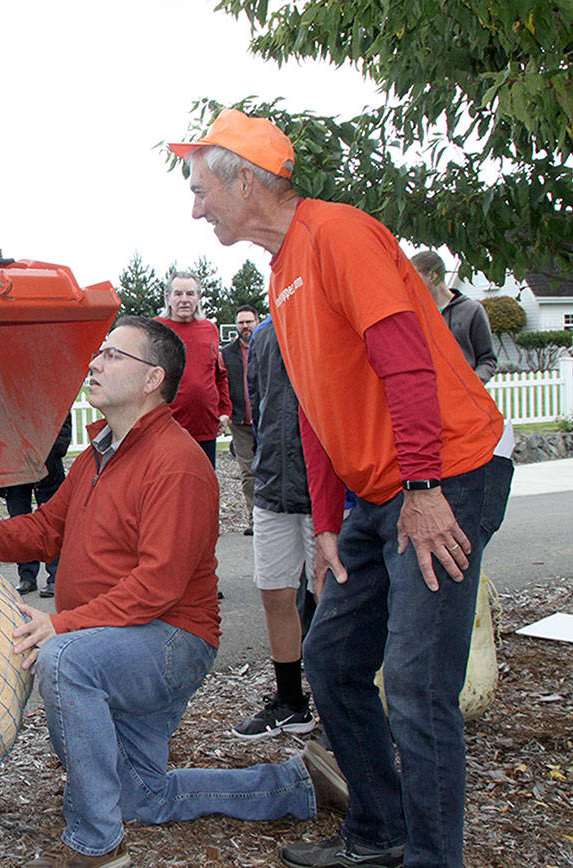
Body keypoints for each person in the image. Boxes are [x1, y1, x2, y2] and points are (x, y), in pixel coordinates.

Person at [172, 108, 513, 868]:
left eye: (200, 189)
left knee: (421, 690)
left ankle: (431, 857)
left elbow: (407, 359)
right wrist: (328, 525)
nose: (195, 207)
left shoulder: (340, 233)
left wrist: (424, 486)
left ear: (244, 178)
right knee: (330, 662)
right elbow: (321, 411)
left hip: (446, 474)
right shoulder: (281, 271)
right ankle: (380, 833)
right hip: (378, 499)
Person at [0, 317, 347, 868]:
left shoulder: (177, 462)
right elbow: (45, 531)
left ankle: (96, 846)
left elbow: (158, 587)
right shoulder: (96, 456)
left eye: (112, 356)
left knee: (63, 662)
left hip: (169, 641)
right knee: (142, 795)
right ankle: (295, 785)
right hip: (117, 641)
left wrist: (63, 625)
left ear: (152, 378)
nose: (95, 363)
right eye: (99, 354)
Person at [231, 315, 317, 740]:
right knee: (275, 593)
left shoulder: (328, 321)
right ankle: (291, 702)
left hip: (325, 489)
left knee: (326, 601)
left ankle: (337, 704)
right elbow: (259, 405)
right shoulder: (264, 334)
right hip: (274, 488)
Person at [0, 413, 72, 597]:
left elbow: (63, 420)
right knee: (19, 519)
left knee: (54, 522)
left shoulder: (47, 392)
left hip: (48, 464)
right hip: (15, 463)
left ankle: (55, 577)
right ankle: (27, 576)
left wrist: (55, 450)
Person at [155, 274, 231, 465]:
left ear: (198, 297)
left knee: (203, 485)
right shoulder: (156, 329)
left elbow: (220, 375)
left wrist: (225, 411)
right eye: (178, 293)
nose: (184, 299)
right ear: (168, 298)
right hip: (167, 427)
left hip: (204, 426)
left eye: (190, 293)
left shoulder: (210, 329)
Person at [410, 250, 498, 383]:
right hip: (427, 398)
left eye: (414, 276)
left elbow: (488, 359)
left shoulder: (472, 310)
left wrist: (473, 384)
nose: (410, 283)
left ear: (433, 276)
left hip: (463, 399)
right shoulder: (416, 314)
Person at [222, 304, 260, 533]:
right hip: (240, 420)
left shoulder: (267, 346)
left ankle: (271, 517)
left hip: (266, 420)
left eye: (249, 321)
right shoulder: (226, 354)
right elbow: (222, 383)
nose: (245, 326)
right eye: (241, 322)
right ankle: (254, 518)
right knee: (248, 472)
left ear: (257, 321)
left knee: (270, 468)